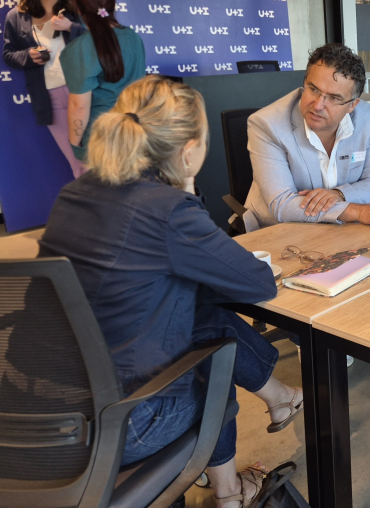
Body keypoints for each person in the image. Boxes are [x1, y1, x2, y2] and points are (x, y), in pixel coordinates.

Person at [38, 75, 304, 508]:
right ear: (187, 150)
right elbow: (256, 284)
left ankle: (237, 478)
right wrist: (185, 190)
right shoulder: (167, 209)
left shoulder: (73, 193)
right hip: (114, 425)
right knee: (211, 373)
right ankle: (231, 493)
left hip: (32, 414)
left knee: (198, 316)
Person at [245, 43, 370, 229]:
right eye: (313, 89)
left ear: (352, 105)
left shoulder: (368, 118)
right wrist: (356, 211)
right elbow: (282, 204)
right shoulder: (267, 124)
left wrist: (339, 194)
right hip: (276, 231)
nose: (318, 105)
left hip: (338, 230)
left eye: (334, 98)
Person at [3, 0, 86, 178]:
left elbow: (97, 41)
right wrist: (28, 56)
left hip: (84, 93)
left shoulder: (74, 11)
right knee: (79, 164)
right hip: (50, 98)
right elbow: (9, 54)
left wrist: (70, 28)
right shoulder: (15, 16)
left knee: (101, 157)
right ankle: (96, 207)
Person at [60, 0, 145, 163]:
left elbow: (79, 106)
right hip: (137, 132)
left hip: (101, 139)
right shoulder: (133, 37)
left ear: (74, 0)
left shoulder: (79, 49)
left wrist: (76, 146)